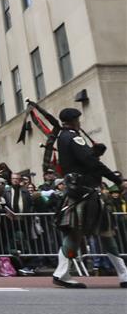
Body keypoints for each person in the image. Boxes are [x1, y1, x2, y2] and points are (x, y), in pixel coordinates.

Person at [53, 108, 126, 288]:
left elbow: (83, 160)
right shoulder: (73, 137)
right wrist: (118, 180)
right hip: (86, 193)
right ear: (74, 120)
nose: (80, 122)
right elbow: (91, 163)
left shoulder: (63, 137)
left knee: (96, 232)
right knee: (90, 233)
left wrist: (93, 152)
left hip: (79, 192)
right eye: (78, 119)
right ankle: (61, 273)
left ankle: (123, 273)